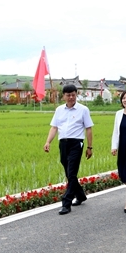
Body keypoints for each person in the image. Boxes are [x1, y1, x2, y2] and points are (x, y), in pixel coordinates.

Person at [44, 84, 94, 215]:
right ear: (63, 96)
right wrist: (48, 142)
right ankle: (80, 195)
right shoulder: (59, 110)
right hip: (63, 143)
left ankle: (66, 202)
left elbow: (88, 129)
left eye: (73, 94)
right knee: (68, 172)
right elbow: (54, 127)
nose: (71, 97)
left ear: (76, 94)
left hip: (76, 143)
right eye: (68, 95)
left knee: (71, 173)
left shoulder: (83, 109)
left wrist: (89, 147)